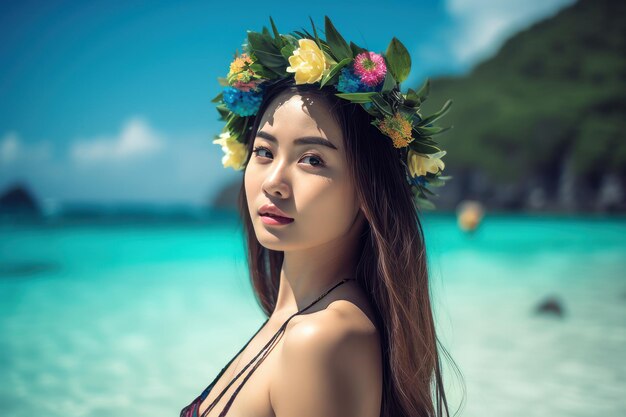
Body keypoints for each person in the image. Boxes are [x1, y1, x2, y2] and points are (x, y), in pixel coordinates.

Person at [181, 16, 463, 417]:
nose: (274, 182)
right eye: (263, 151)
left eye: (312, 159)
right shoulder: (302, 320)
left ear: (369, 190)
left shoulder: (321, 338)